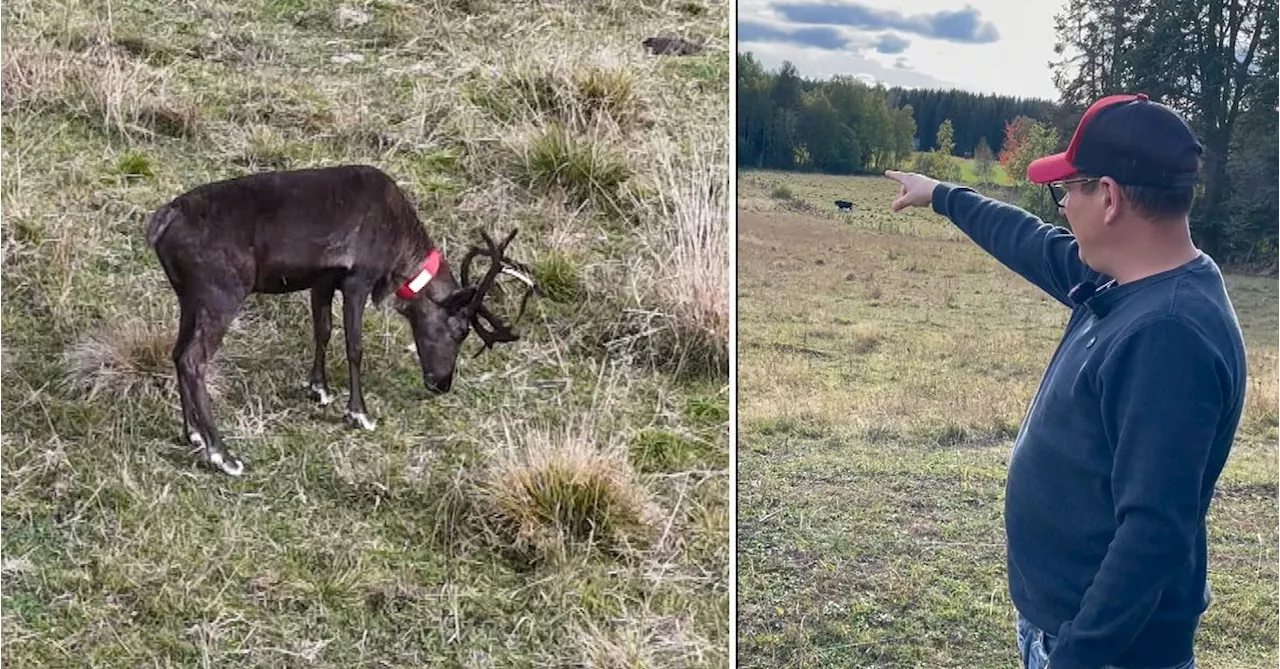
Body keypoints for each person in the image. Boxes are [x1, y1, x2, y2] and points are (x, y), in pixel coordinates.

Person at [884, 93, 1248, 669]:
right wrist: (945, 196)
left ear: (1108, 196)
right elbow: (1032, 242)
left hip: (1109, 652)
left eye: (1067, 190)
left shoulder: (1169, 334)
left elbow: (1153, 536)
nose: (1060, 208)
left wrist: (1076, 655)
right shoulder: (1124, 282)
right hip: (1072, 631)